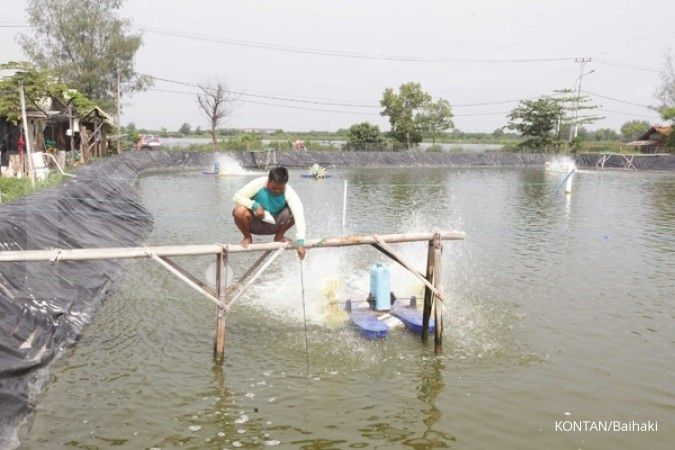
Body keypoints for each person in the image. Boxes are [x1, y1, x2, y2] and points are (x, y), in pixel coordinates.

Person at [232, 167, 306, 259]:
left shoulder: (289, 192)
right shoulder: (258, 183)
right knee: (239, 210)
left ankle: (279, 236)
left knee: (294, 213)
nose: (277, 191)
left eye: (281, 189)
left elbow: (299, 216)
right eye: (274, 188)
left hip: (275, 224)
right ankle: (247, 237)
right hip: (255, 223)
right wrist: (254, 205)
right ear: (268, 181)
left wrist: (301, 243)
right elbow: (236, 197)